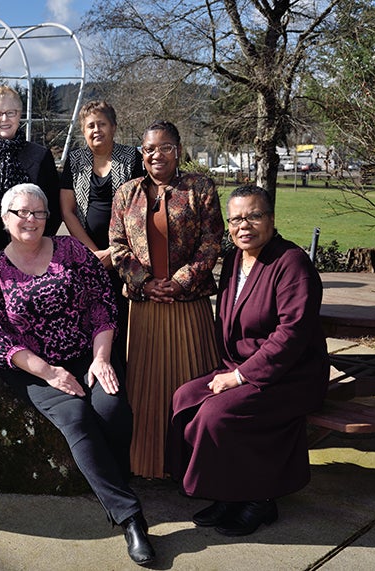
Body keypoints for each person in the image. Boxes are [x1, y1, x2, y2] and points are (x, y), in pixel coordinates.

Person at [0, 183, 155, 566]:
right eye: (21, 212)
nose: (30, 220)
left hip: (88, 355)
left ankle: (114, 486)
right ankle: (130, 517)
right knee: (76, 418)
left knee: (111, 409)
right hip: (34, 368)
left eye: (38, 213)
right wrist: (48, 372)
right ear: (5, 219)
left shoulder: (73, 251)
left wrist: (102, 358)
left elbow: (104, 307)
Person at [165, 185, 329, 536]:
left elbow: (291, 336)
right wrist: (230, 371)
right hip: (242, 367)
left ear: (271, 219)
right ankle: (228, 492)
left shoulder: (291, 263)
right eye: (236, 218)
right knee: (184, 398)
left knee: (216, 413)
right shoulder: (235, 261)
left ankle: (259, 499)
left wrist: (238, 377)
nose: (244, 225)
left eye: (254, 216)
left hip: (292, 375)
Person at [108, 120, 224, 479]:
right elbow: (117, 246)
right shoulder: (127, 193)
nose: (156, 154)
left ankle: (194, 466)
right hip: (144, 311)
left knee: (190, 386)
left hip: (188, 309)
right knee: (144, 392)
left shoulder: (199, 188)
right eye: (149, 149)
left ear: (178, 149)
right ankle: (147, 465)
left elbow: (212, 242)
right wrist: (145, 283)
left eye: (164, 147)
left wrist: (179, 281)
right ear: (142, 154)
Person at [60, 100, 145, 363]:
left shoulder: (132, 158)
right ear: (83, 131)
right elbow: (67, 211)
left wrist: (115, 252)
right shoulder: (75, 161)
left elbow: (141, 211)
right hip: (90, 257)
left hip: (129, 255)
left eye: (102, 124)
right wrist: (94, 253)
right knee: (93, 317)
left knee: (127, 318)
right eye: (90, 125)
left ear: (114, 127)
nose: (96, 130)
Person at [0, 85, 61, 261]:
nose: (4, 119)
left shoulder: (41, 157)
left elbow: (53, 207)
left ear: (19, 114)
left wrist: (36, 239)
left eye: (11, 112)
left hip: (32, 253)